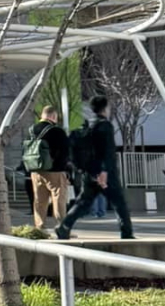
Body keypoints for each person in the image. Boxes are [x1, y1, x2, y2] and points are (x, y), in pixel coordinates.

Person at [56, 96, 134, 240]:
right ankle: (127, 232)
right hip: (105, 173)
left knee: (83, 202)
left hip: (90, 172)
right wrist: (104, 171)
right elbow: (107, 151)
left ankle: (64, 227)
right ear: (105, 108)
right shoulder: (105, 126)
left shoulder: (88, 125)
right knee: (119, 202)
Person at [28, 106, 70, 230]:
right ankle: (61, 227)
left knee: (39, 200)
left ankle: (40, 227)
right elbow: (65, 151)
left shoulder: (31, 130)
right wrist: (66, 170)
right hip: (55, 171)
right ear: (53, 116)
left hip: (36, 170)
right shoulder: (57, 131)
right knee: (59, 199)